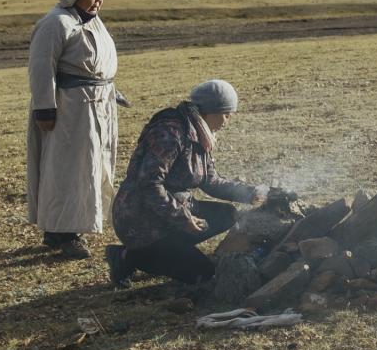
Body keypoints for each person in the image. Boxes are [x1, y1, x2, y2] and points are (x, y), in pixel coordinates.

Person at [106, 79, 268, 286]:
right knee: (204, 273)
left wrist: (249, 193)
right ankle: (127, 256)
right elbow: (149, 184)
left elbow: (210, 180)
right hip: (140, 219)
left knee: (227, 214)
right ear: (211, 111)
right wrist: (182, 218)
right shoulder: (170, 133)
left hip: (169, 211)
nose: (228, 120)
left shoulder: (200, 133)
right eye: (226, 114)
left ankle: (167, 253)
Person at [26, 0, 123, 259]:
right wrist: (45, 109)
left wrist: (111, 91)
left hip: (97, 108)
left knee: (91, 167)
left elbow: (96, 67)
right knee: (67, 170)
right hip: (70, 111)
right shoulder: (56, 23)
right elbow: (41, 67)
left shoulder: (92, 21)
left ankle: (74, 225)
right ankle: (61, 232)